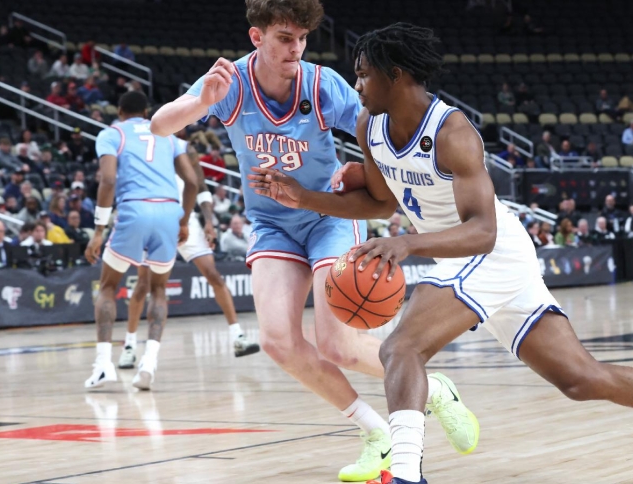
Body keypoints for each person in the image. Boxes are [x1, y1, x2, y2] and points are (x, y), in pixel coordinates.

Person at [247, 23, 633, 484]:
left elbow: (481, 231)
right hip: (458, 256)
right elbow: (381, 200)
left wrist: (407, 243)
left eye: (364, 75)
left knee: (399, 349)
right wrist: (303, 197)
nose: (356, 85)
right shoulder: (370, 127)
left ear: (398, 74)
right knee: (580, 379)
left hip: (490, 250)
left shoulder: (452, 132)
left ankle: (406, 474)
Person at [149, 4, 470, 481]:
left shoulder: (320, 84)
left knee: (337, 345)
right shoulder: (230, 82)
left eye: (301, 38)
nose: (295, 48)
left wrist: (365, 170)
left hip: (327, 214)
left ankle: (434, 389)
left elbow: (376, 125)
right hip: (272, 222)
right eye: (284, 38)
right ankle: (375, 432)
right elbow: (159, 125)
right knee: (278, 342)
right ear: (256, 37)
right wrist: (200, 103)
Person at [83, 91, 198, 392]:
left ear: (120, 111)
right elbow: (193, 182)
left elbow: (107, 180)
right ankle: (149, 364)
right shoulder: (168, 134)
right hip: (167, 212)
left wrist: (98, 229)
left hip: (135, 208)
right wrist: (183, 220)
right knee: (158, 290)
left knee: (108, 287)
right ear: (147, 112)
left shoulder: (111, 133)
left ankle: (104, 364)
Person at [122, 139, 259, 370]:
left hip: (186, 220)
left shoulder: (186, 148)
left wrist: (208, 222)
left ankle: (238, 337)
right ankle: (129, 346)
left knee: (213, 275)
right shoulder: (146, 148)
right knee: (143, 285)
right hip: (156, 219)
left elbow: (202, 187)